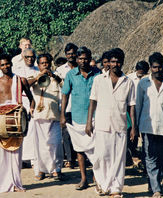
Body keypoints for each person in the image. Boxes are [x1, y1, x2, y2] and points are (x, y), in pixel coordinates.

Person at [85, 48, 137, 197]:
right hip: (101, 124)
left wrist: (133, 127)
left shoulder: (128, 82)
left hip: (120, 125)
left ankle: (116, 189)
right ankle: (102, 183)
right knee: (101, 156)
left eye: (118, 61)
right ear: (109, 63)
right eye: (113, 61)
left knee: (118, 159)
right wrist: (89, 123)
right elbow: (92, 101)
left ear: (122, 63)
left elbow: (131, 106)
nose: (115, 64)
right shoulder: (99, 80)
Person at [0, 54, 35, 192]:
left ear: (11, 64)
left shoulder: (20, 80)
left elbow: (31, 98)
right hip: (0, 119)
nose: (5, 67)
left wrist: (30, 110)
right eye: (2, 65)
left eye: (7, 64)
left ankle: (15, 183)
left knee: (15, 155)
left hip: (16, 119)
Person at [61, 47, 100, 190]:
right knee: (80, 149)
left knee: (97, 149)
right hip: (77, 117)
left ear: (90, 59)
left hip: (96, 116)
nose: (83, 61)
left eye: (85, 58)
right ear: (76, 59)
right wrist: (62, 115)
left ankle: (97, 177)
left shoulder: (98, 74)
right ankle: (84, 178)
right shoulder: (71, 75)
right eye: (80, 58)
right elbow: (65, 95)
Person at [136, 52, 163, 198]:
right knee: (150, 157)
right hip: (147, 126)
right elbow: (138, 105)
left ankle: (155, 183)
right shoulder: (143, 83)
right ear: (150, 67)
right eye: (154, 67)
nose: (157, 70)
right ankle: (156, 189)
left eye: (160, 67)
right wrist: (136, 128)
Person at [27, 53, 64, 181]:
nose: (45, 65)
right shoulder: (34, 75)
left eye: (47, 63)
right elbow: (26, 84)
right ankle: (42, 170)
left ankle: (56, 169)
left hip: (54, 116)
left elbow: (64, 86)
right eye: (42, 63)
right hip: (39, 116)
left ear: (50, 63)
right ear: (38, 65)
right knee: (40, 145)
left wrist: (53, 75)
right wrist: (38, 77)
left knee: (55, 144)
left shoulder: (56, 77)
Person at [12, 48, 39, 164]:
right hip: (23, 101)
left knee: (33, 131)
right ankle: (22, 159)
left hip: (36, 101)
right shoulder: (17, 70)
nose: (30, 59)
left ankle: (33, 158)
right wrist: (37, 78)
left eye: (32, 57)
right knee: (22, 130)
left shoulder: (38, 69)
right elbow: (23, 84)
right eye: (27, 57)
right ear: (23, 57)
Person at [55, 43, 79, 169]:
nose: (71, 56)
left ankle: (80, 158)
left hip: (79, 107)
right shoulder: (60, 71)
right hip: (66, 107)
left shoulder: (81, 68)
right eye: (68, 54)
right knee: (66, 134)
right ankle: (70, 159)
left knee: (79, 133)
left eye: (73, 53)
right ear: (65, 55)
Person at [126, 60, 149, 163]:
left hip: (143, 108)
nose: (141, 73)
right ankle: (132, 151)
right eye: (140, 71)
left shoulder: (147, 79)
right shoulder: (129, 78)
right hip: (131, 107)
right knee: (132, 129)